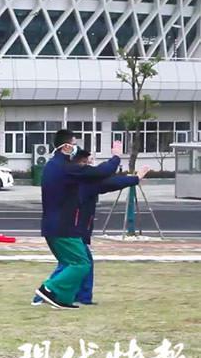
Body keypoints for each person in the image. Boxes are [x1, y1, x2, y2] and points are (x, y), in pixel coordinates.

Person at [32, 150, 150, 306]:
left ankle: (80, 296)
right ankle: (48, 293)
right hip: (73, 230)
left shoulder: (77, 179)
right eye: (86, 162)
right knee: (76, 263)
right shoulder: (81, 182)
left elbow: (105, 179)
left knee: (76, 263)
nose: (89, 165)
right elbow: (109, 181)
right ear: (79, 164)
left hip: (74, 229)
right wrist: (134, 176)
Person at [34, 129, 123, 310]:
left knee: (71, 263)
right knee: (81, 264)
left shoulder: (52, 166)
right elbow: (102, 173)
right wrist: (116, 157)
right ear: (66, 147)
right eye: (74, 144)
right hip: (64, 227)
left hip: (52, 226)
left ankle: (63, 299)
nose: (76, 147)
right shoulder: (66, 168)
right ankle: (48, 289)